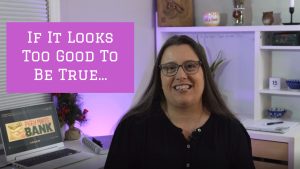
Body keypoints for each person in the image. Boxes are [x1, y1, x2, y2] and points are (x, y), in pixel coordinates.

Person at [104, 35, 255, 169]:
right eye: (170, 68)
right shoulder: (131, 128)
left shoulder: (232, 131)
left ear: (205, 74)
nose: (181, 75)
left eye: (190, 66)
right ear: (160, 77)